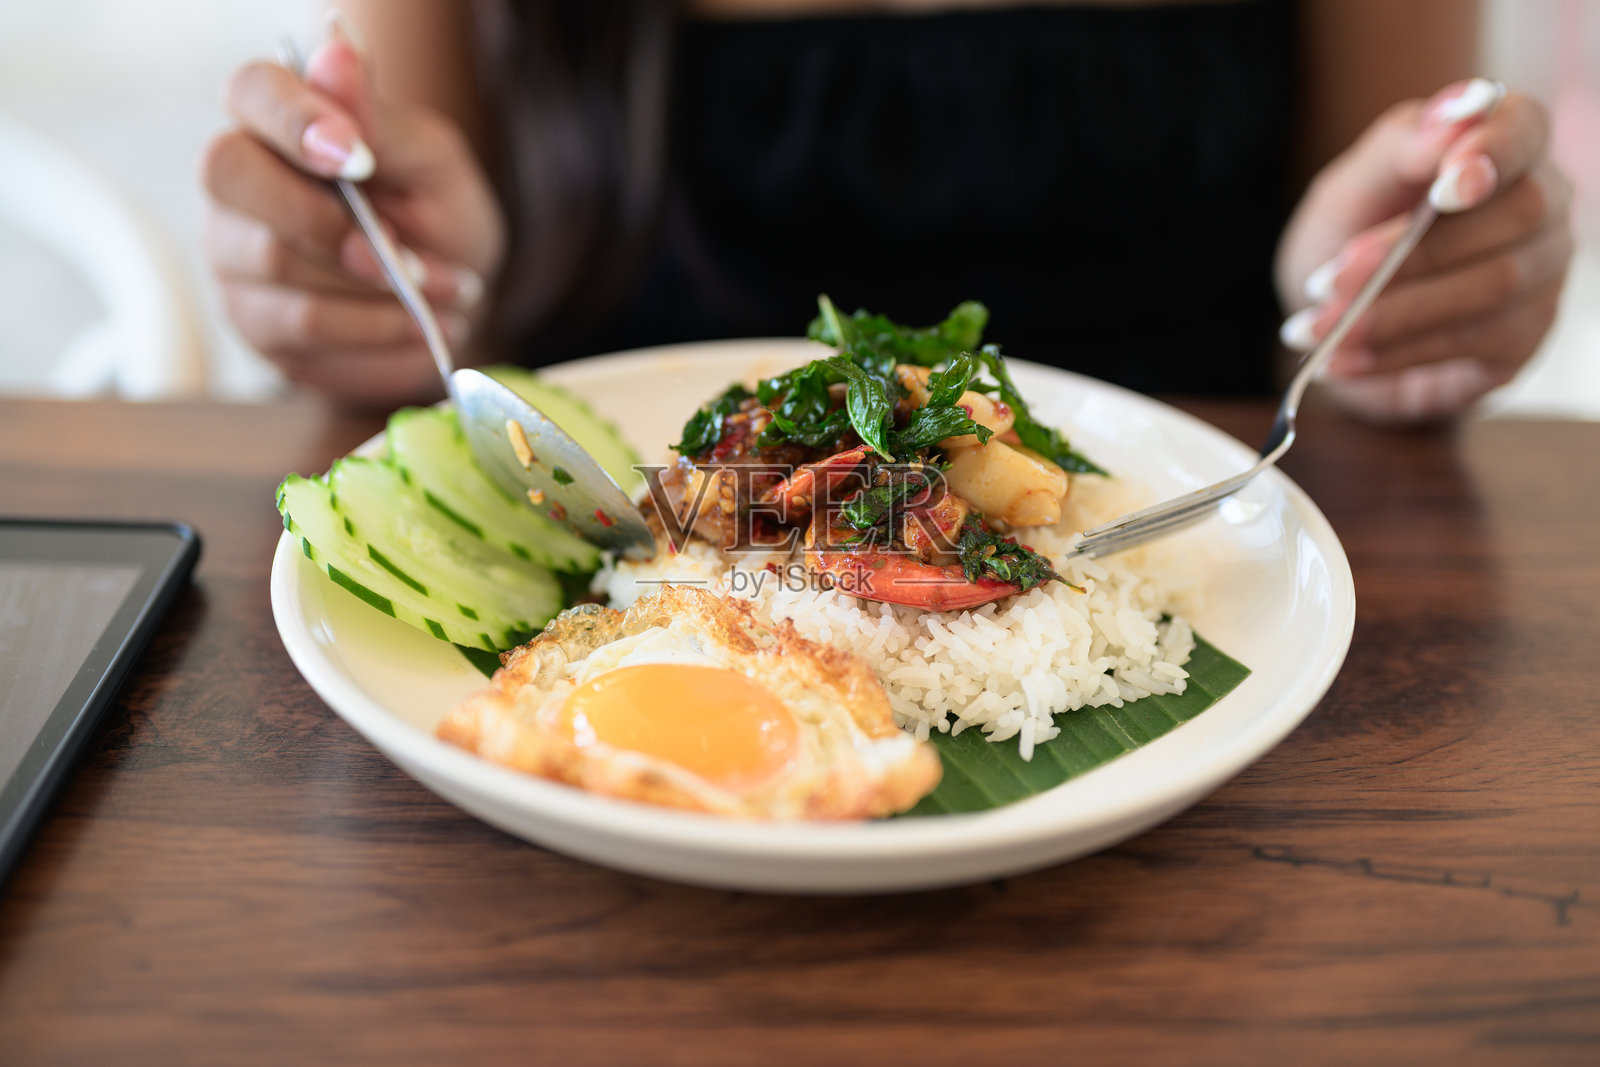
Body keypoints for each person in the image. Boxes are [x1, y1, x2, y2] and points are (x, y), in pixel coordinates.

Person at [201, 0, 1573, 423]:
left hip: (1202, 605)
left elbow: (1354, 291)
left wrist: (1380, 298)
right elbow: (432, 304)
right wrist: (380, 280)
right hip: (606, 618)